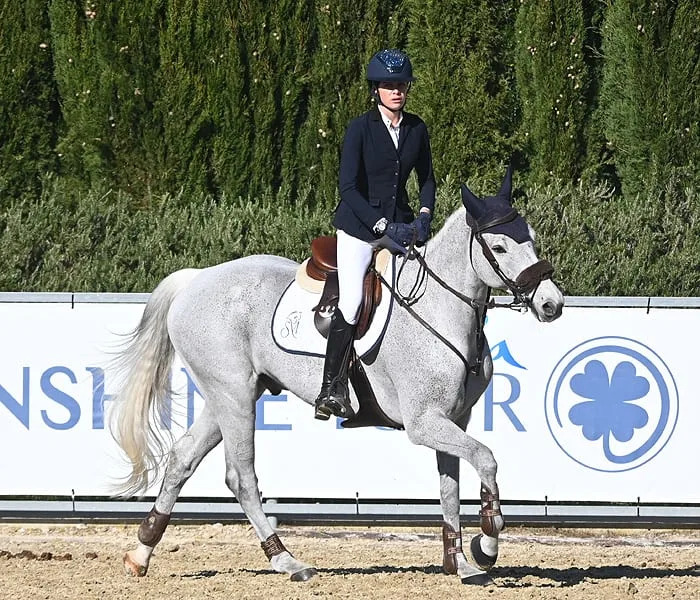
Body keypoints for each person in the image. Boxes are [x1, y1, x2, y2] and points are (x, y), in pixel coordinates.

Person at [314, 48, 436, 421]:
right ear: (376, 91)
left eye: (400, 84)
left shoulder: (416, 128)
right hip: (358, 228)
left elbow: (427, 178)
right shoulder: (360, 129)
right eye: (388, 85)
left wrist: (426, 215)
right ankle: (330, 388)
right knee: (351, 301)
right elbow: (348, 188)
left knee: (420, 291)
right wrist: (381, 226)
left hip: (400, 225)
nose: (396, 91)